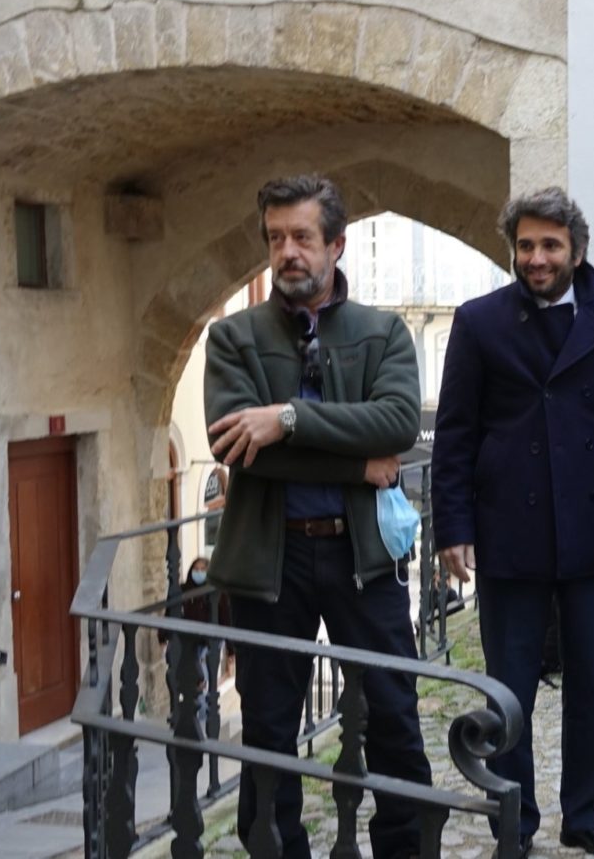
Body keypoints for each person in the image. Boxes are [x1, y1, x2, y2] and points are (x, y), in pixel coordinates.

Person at [204, 174, 429, 859]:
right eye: (275, 238)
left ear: (336, 244)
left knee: (394, 716)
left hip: (363, 557)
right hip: (268, 562)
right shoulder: (233, 337)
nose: (287, 251)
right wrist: (354, 465)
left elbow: (397, 423)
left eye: (302, 236)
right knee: (269, 734)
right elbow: (235, 449)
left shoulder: (381, 332)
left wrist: (287, 420)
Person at [431, 187, 594, 859]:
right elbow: (455, 434)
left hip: (591, 529)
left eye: (551, 245)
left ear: (576, 249)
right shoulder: (479, 321)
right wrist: (452, 527)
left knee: (590, 684)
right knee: (508, 690)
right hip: (507, 531)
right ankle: (512, 822)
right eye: (526, 246)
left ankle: (587, 816)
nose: (537, 258)